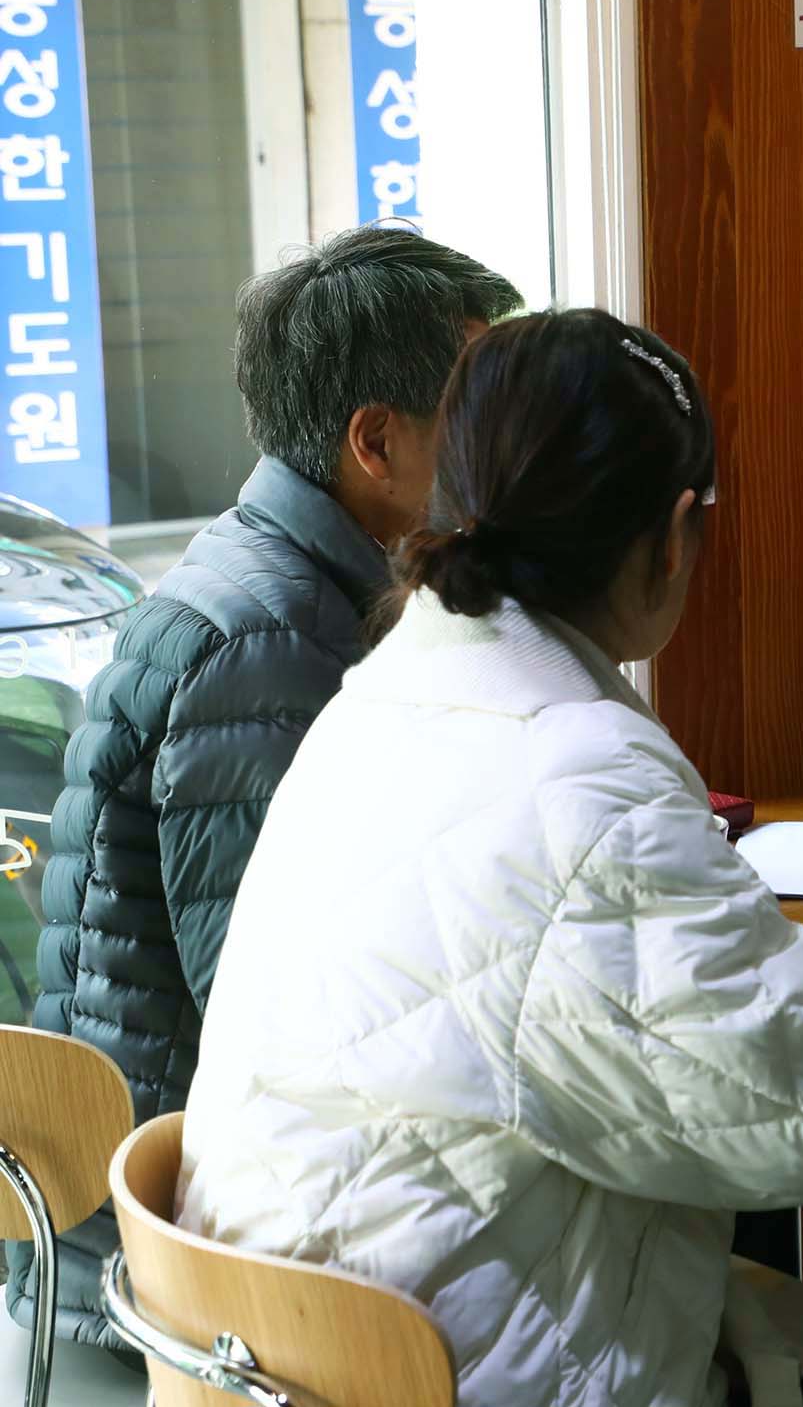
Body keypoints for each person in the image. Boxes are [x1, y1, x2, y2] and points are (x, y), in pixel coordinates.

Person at [175, 308, 803, 1407]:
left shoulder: (383, 703)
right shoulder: (582, 781)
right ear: (678, 531)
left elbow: (611, 1020)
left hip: (291, 1345)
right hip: (447, 1368)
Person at [18, 225, 521, 1355]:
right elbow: (286, 1019)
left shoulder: (290, 583)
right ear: (374, 441)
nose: (503, 446)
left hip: (189, 1212)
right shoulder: (272, 638)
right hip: (181, 1266)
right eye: (477, 412)